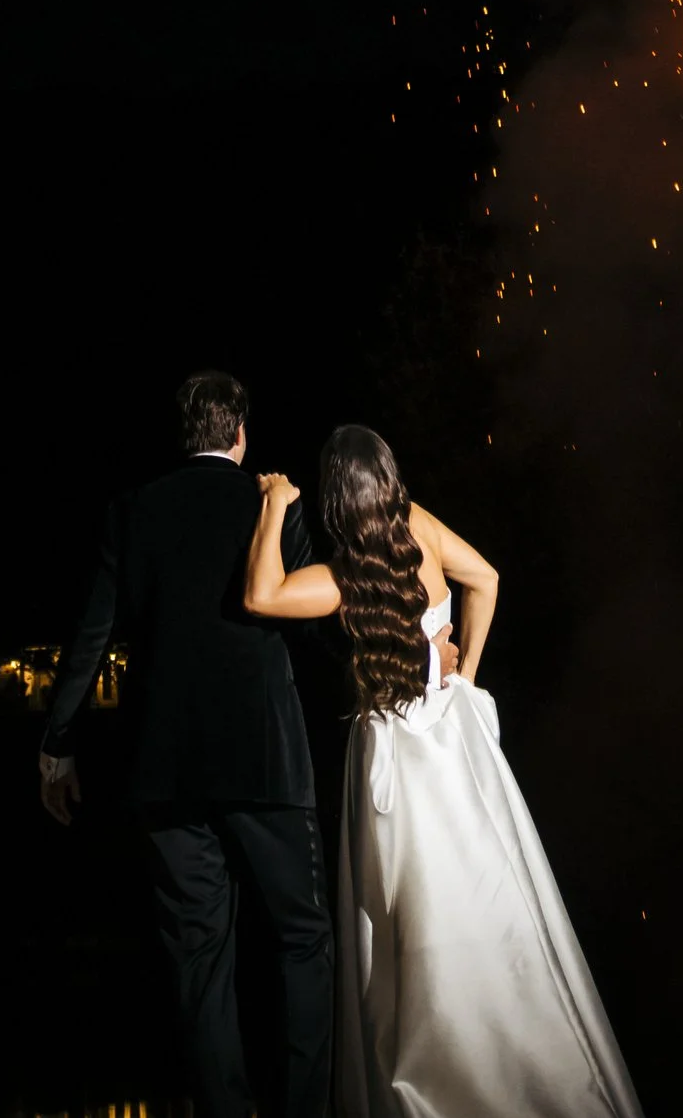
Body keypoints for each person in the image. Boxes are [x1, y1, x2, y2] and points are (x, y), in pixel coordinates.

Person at [243, 425, 645, 1118]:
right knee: (488, 889)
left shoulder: (344, 576)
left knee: (406, 913)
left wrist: (276, 504)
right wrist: (464, 680)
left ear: (337, 499)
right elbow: (485, 579)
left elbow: (262, 595)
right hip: (453, 742)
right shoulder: (418, 527)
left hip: (393, 753)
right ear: (388, 479)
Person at [39, 367, 333, 1118]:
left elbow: (91, 636)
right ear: (240, 432)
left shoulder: (132, 509)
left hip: (164, 768)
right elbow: (316, 621)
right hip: (266, 760)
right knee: (302, 940)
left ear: (186, 435)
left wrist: (57, 743)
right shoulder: (273, 502)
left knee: (200, 959)